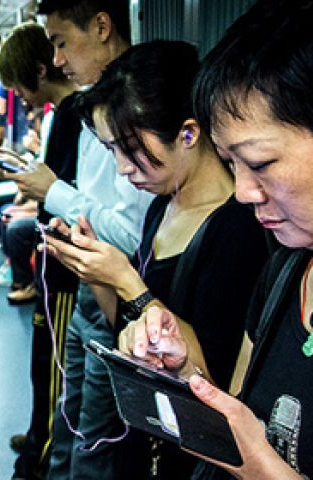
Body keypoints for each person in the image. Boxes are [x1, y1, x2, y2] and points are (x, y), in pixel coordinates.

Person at [46, 40, 269, 479]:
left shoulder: (237, 229)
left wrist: (127, 280)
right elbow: (127, 325)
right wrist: (94, 271)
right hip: (151, 438)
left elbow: (214, 379)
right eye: (112, 150)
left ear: (188, 133)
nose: (123, 169)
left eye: (130, 148)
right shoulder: (161, 207)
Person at [121, 1, 313, 478]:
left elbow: (252, 457)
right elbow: (241, 414)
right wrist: (186, 376)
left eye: (261, 163)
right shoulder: (286, 271)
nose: (244, 192)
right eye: (232, 165)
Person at [0, 1, 153, 478]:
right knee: (71, 418)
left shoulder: (132, 112)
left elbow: (129, 231)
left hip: (110, 293)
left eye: (62, 41)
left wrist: (55, 194)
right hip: (88, 287)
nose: (58, 60)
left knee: (94, 441)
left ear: (102, 26)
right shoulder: (90, 108)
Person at [0, 21, 79, 480]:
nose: (16, 95)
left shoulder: (74, 115)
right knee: (42, 368)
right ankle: (35, 440)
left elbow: (68, 193)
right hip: (54, 258)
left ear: (40, 71)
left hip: (67, 267)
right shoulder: (61, 116)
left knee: (54, 376)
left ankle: (36, 465)